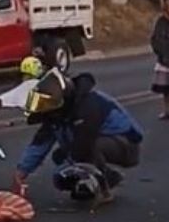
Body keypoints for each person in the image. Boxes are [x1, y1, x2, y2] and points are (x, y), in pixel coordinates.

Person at [12, 69, 143, 204]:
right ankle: (104, 178)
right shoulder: (56, 114)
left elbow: (83, 144)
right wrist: (22, 171)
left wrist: (67, 170)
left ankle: (105, 190)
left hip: (125, 144)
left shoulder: (89, 105)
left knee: (84, 152)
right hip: (94, 142)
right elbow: (41, 143)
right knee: (61, 162)